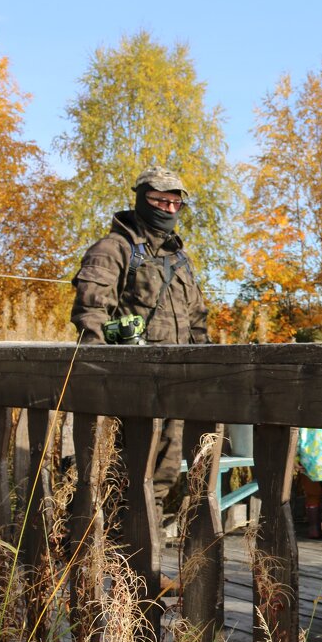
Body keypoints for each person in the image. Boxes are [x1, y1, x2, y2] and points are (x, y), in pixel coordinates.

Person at [71, 167, 208, 574]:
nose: (167, 208)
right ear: (140, 198)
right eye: (159, 201)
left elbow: (198, 322)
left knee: (163, 478)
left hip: (176, 391)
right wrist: (106, 383)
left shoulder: (180, 259)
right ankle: (104, 565)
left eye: (175, 202)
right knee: (119, 478)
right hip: (128, 392)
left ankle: (140, 566)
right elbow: (90, 317)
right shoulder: (113, 249)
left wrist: (204, 374)